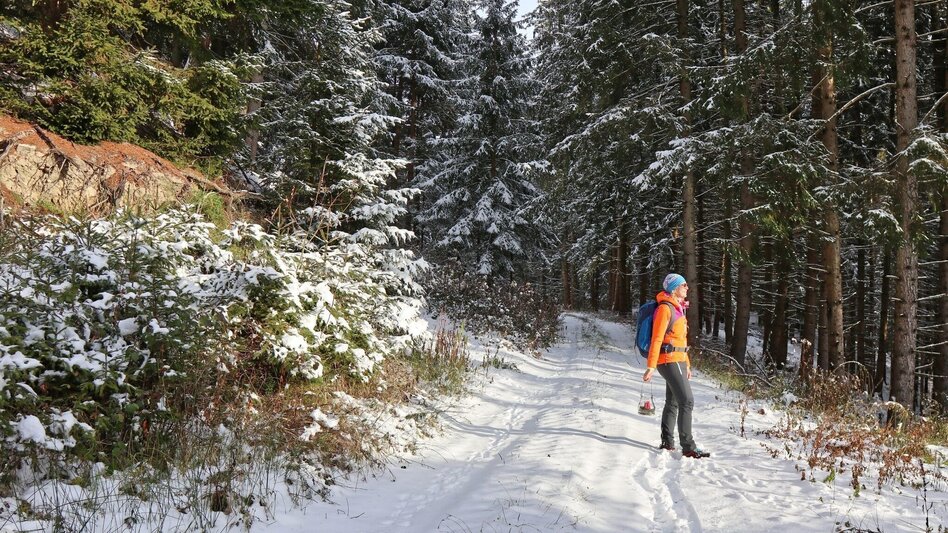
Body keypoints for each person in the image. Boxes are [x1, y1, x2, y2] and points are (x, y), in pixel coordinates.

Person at [642, 273, 709, 458]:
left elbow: (680, 341)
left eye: (687, 284)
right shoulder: (665, 309)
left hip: (678, 359)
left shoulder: (678, 308)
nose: (687, 287)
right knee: (687, 401)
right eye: (683, 285)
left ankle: (667, 441)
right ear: (674, 288)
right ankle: (688, 446)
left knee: (673, 402)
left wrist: (687, 364)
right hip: (668, 360)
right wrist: (651, 366)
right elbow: (657, 338)